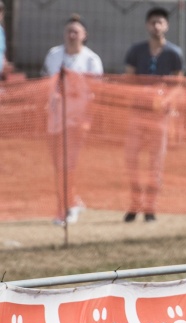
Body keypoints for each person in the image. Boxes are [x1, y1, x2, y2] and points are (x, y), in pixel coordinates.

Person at [40, 14, 104, 226]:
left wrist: (88, 120)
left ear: (84, 35)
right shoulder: (54, 55)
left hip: (77, 121)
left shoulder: (91, 60)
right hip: (55, 119)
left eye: (76, 31)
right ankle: (71, 198)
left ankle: (68, 207)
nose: (72, 35)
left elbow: (97, 93)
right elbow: (45, 82)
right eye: (69, 31)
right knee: (57, 164)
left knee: (68, 164)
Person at [123, 6, 184, 222]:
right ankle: (135, 202)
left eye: (160, 22)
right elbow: (129, 80)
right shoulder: (136, 51)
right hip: (138, 113)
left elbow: (178, 84)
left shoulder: (174, 53)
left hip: (160, 116)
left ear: (166, 26)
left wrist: (165, 100)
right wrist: (141, 94)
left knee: (155, 162)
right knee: (131, 159)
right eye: (153, 22)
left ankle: (150, 207)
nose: (156, 26)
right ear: (147, 25)